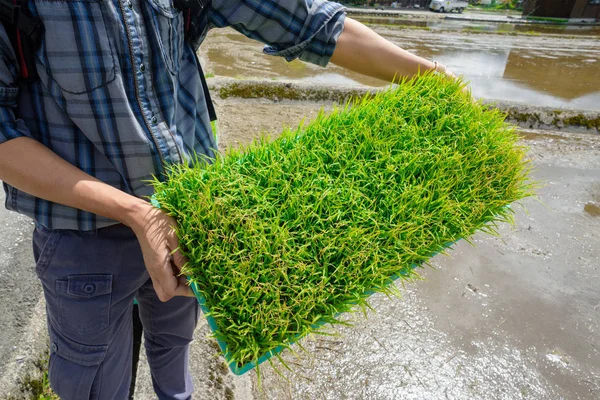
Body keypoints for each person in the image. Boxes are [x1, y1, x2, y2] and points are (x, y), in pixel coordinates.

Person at [0, 0, 458, 398]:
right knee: (94, 381)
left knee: (176, 342)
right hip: (85, 240)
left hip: (194, 222)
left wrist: (433, 76)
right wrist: (137, 213)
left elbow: (307, 21)